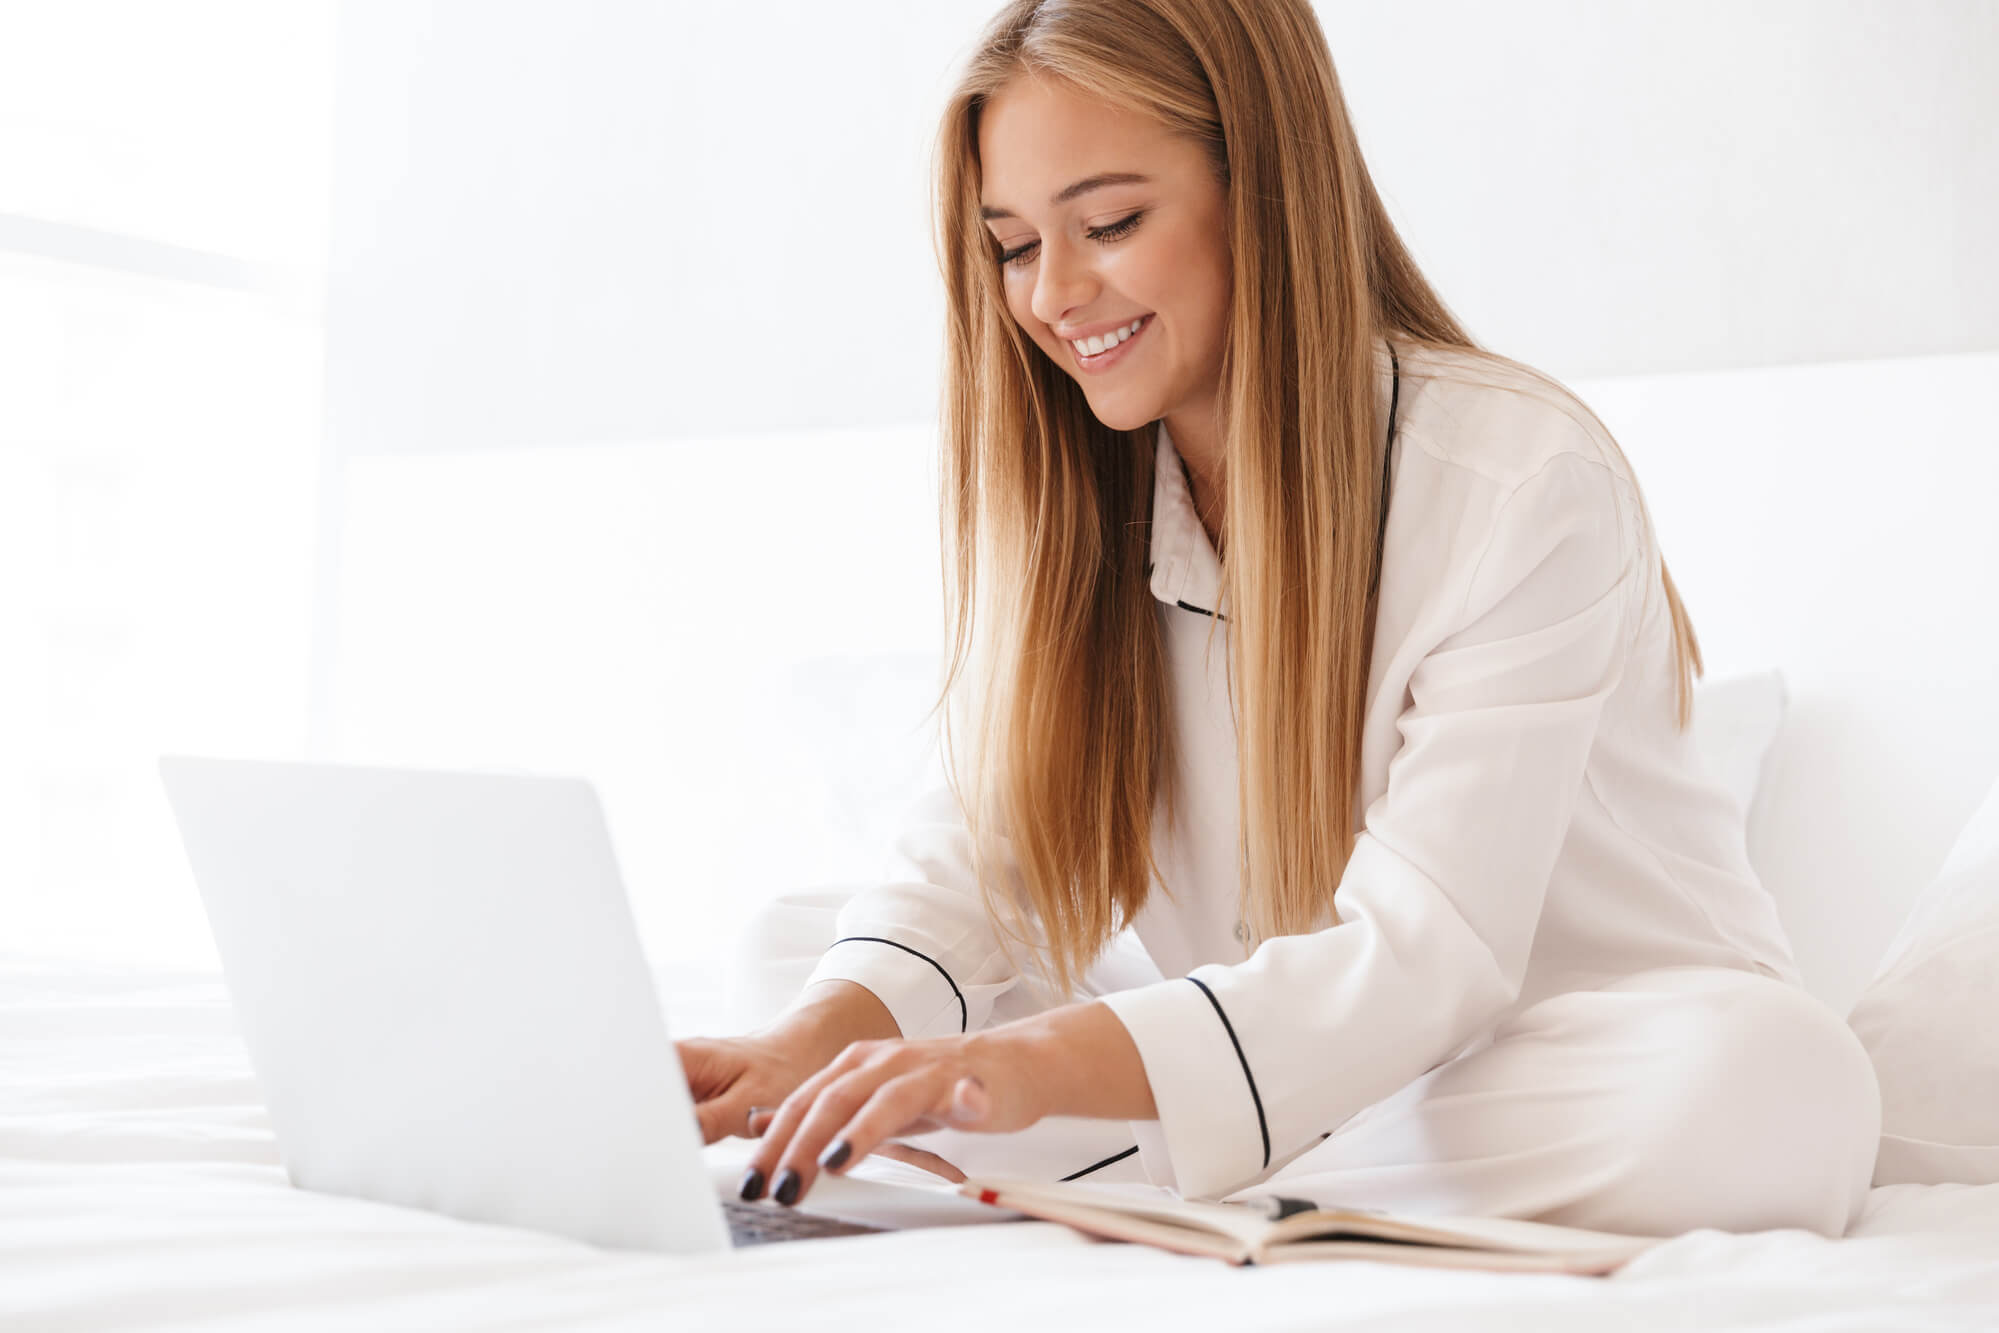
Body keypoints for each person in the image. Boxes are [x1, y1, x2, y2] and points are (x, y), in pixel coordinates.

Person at [674, 0, 1881, 1239]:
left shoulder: (1517, 477)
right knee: (797, 956)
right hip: (1288, 1061)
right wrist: (799, 1046)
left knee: (1774, 1084)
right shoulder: (1082, 494)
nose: (1052, 296)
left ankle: (1185, 1163)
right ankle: (1220, 1149)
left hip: (1539, 1070)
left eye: (1108, 223)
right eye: (1012, 245)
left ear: (1264, 188)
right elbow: (987, 853)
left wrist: (1034, 1069)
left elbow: (1429, 954)